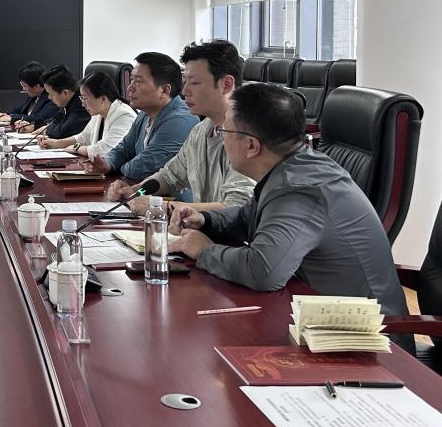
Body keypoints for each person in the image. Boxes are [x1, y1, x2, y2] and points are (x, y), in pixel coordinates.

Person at [167, 84, 409, 319]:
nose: (221, 141)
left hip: (366, 333)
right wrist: (205, 220)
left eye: (224, 132)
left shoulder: (300, 189)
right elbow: (247, 216)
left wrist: (204, 251)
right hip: (314, 311)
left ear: (251, 145)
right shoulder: (294, 166)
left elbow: (263, 271)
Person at [106, 40, 255, 214]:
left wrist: (163, 207)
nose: (184, 91)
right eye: (185, 82)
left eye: (194, 83)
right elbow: (169, 176)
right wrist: (135, 191)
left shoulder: (248, 135)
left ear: (226, 84)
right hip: (200, 229)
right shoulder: (201, 130)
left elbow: (237, 207)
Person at [87, 52, 197, 181]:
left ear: (164, 90)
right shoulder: (145, 114)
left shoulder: (180, 121)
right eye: (131, 79)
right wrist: (107, 164)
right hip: (142, 190)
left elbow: (140, 169)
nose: (129, 88)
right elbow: (123, 149)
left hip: (170, 194)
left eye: (138, 81)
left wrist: (119, 166)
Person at [39, 72, 136, 161]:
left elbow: (106, 150)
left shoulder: (123, 115)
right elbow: (83, 137)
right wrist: (57, 143)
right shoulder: (99, 112)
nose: (83, 104)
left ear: (103, 99)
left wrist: (76, 148)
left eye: (85, 99)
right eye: (81, 98)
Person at [0, 61, 58, 131]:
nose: (23, 89)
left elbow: (39, 118)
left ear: (37, 86)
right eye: (22, 85)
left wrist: (12, 117)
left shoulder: (51, 98)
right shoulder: (33, 96)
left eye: (25, 86)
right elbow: (18, 109)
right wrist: (4, 114)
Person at [33, 65, 91, 139]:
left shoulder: (82, 104)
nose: (49, 97)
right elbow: (55, 121)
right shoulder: (68, 101)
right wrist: (33, 126)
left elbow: (64, 131)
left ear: (65, 93)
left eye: (51, 94)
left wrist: (46, 129)